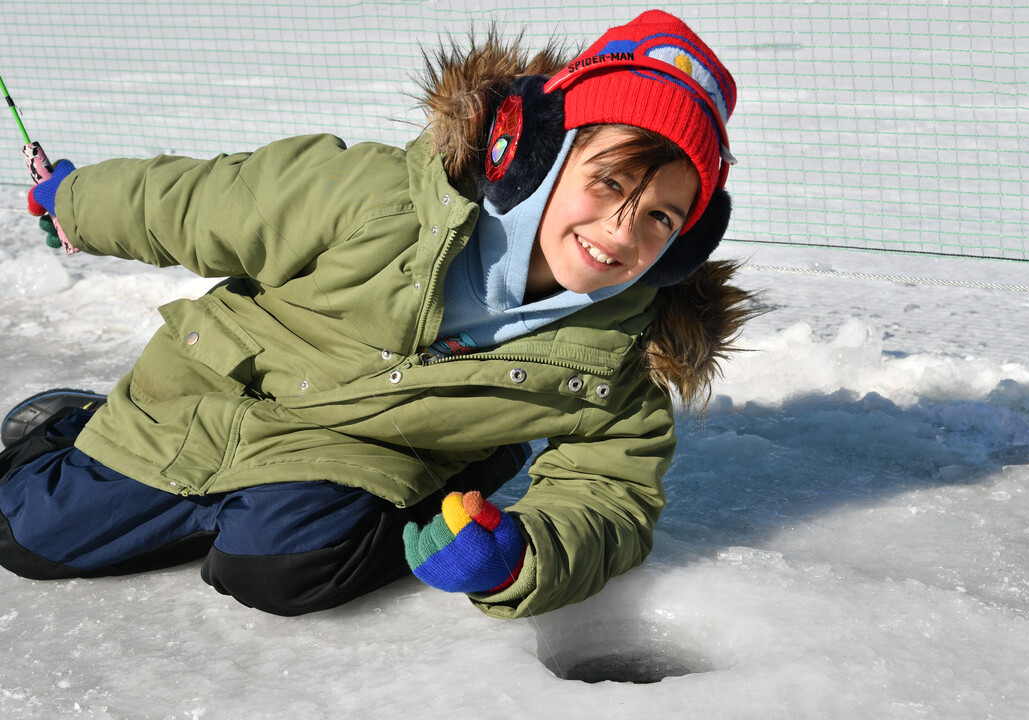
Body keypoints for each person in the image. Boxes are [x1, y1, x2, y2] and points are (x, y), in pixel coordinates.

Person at [0, 10, 755, 618]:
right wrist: (72, 198)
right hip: (212, 397)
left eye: (661, 217)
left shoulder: (620, 344)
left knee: (278, 571)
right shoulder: (376, 195)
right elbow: (198, 204)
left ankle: (458, 476)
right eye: (610, 182)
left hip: (360, 457)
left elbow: (611, 490)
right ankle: (72, 429)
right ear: (537, 155)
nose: (623, 232)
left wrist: (523, 557)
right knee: (26, 539)